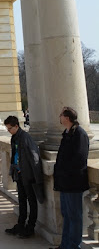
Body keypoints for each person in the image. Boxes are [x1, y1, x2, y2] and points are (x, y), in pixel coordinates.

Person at [53, 106, 89, 249]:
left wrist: (65, 173)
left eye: (61, 115)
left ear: (66, 118)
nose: (59, 117)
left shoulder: (80, 134)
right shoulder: (67, 133)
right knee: (67, 215)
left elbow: (80, 160)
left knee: (74, 216)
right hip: (64, 183)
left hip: (73, 183)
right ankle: (65, 245)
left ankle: (74, 246)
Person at [4, 115, 44, 238]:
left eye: (10, 128)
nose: (8, 131)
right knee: (21, 200)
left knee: (31, 202)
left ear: (16, 126)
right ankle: (20, 225)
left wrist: (36, 177)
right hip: (19, 173)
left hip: (28, 175)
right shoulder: (14, 138)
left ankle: (30, 228)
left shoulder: (25, 137)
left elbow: (34, 157)